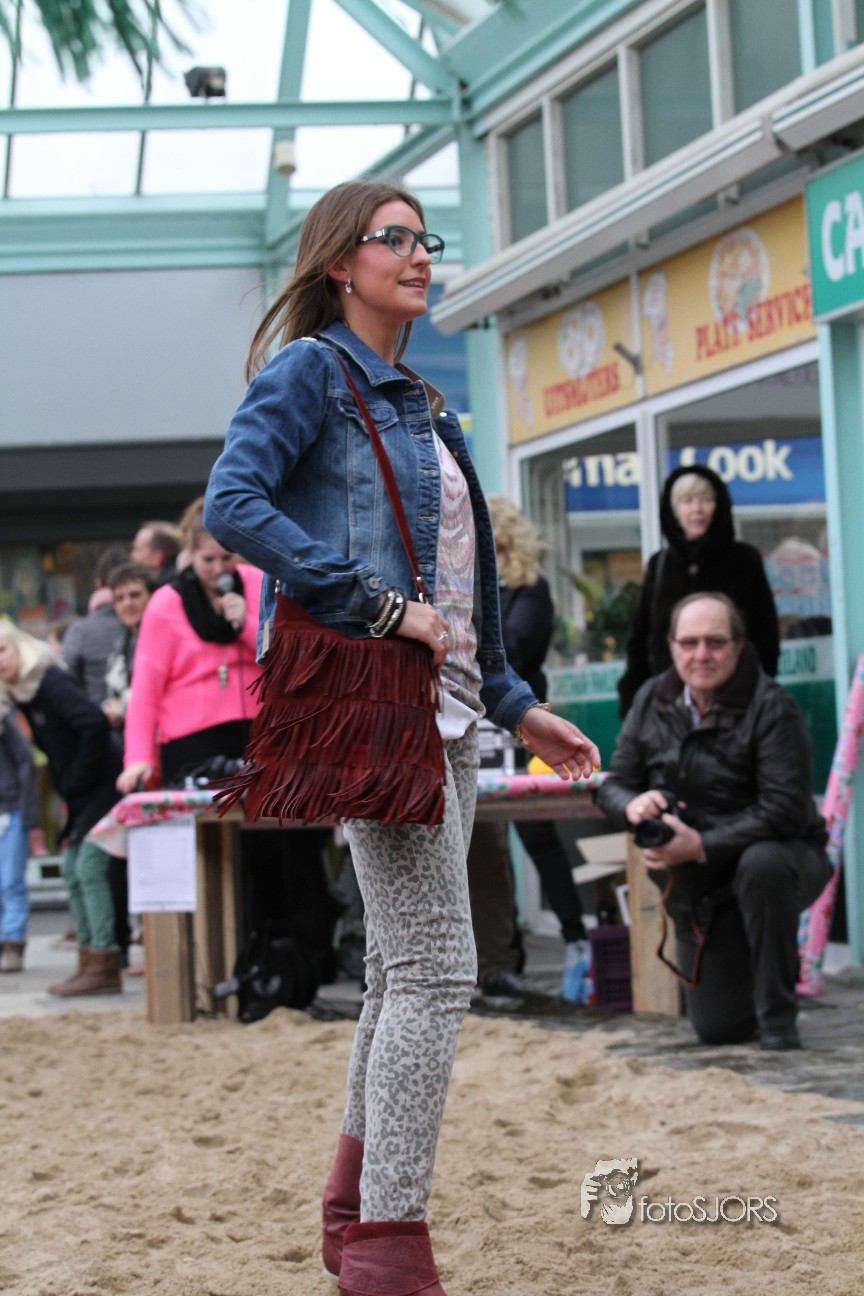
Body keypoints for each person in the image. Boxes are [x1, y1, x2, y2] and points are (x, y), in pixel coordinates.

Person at [203, 178, 600, 1296]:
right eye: (396, 239)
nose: (420, 255)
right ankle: (388, 1246)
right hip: (377, 706)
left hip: (452, 713)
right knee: (435, 969)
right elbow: (233, 502)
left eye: (428, 239)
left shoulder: (425, 403)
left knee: (396, 970)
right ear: (342, 261)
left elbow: (460, 593)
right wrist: (371, 603)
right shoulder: (311, 372)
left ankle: (356, 1218)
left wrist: (518, 705)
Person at [596, 592, 832, 1051]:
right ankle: (744, 961)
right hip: (700, 886)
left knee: (762, 866)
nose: (701, 654)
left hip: (786, 859)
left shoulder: (772, 706)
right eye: (689, 642)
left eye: (715, 642)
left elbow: (785, 809)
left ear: (739, 646)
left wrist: (701, 844)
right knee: (718, 1029)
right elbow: (612, 784)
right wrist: (632, 805)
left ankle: (779, 1019)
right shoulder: (651, 699)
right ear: (671, 646)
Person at [486, 494, 592, 1001]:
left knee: (536, 833)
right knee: (485, 841)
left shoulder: (531, 588)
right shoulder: (475, 585)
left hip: (524, 724)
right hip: (480, 726)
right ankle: (504, 954)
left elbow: (512, 649)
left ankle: (575, 937)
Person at [0, 620, 124, 995]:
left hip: (102, 784)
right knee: (72, 868)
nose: (0, 661)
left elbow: (93, 723)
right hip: (83, 790)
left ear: (19, 647)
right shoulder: (25, 694)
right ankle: (89, 959)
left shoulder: (49, 681)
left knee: (87, 866)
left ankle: (105, 961)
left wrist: (77, 779)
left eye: (2, 650)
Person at [117, 498, 262, 794]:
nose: (219, 569)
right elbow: (145, 687)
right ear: (190, 555)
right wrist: (138, 758)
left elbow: (286, 656)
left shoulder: (257, 583)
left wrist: (247, 624)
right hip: (192, 744)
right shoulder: (166, 603)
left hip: (259, 732)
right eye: (208, 560)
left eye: (227, 558)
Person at [617, 464, 780, 717]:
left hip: (738, 705)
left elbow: (765, 634)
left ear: (719, 505)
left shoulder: (743, 560)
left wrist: (755, 697)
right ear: (674, 510)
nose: (697, 509)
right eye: (687, 501)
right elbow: (639, 641)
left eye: (706, 500)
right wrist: (634, 704)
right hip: (668, 708)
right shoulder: (660, 565)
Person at [60, 545, 128, 703]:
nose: (127, 604)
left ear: (98, 584)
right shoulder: (150, 624)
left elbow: (66, 679)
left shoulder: (81, 630)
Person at [0, 708, 39, 973]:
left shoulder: (4, 718)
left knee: (11, 882)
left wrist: (26, 811)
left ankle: (13, 944)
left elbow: (26, 760)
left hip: (10, 809)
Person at [130, 520, 182, 588]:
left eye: (138, 550)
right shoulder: (182, 579)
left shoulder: (167, 588)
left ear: (157, 557)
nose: (132, 556)